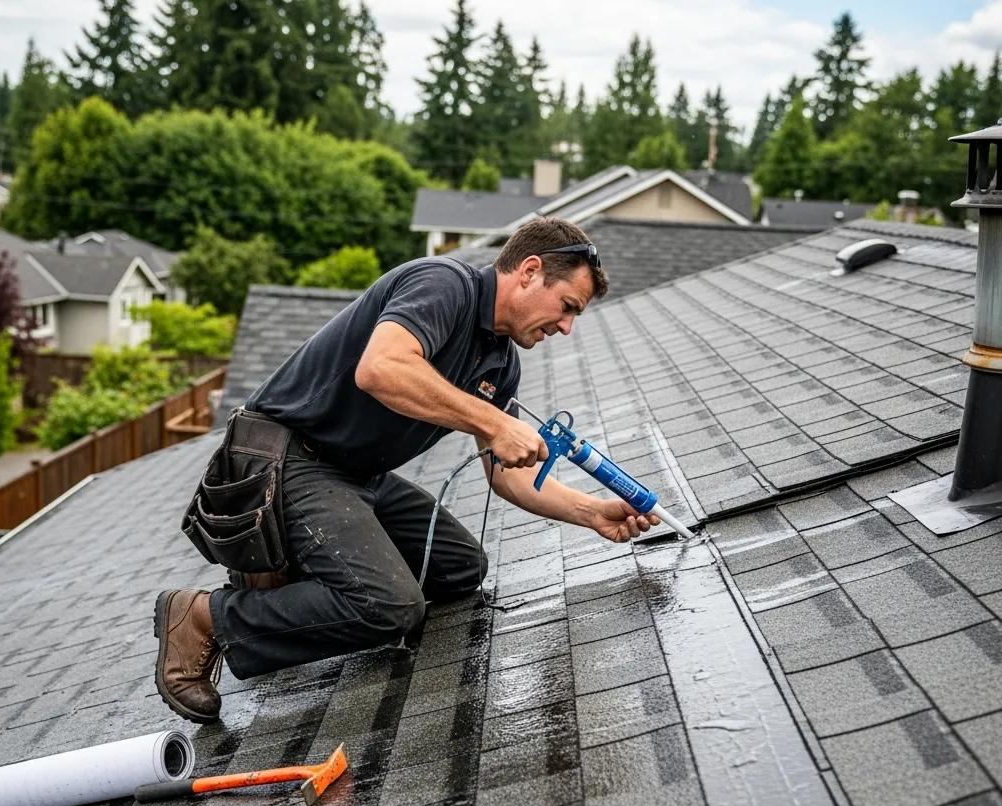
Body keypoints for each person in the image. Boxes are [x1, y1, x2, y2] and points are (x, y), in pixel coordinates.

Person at [154, 217, 661, 723]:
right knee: (391, 606)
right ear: (529, 271)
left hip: (353, 475)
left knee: (462, 568)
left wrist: (592, 511)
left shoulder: (500, 365)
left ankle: (289, 580)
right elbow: (382, 368)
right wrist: (494, 422)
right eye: (568, 307)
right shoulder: (443, 285)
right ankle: (204, 618)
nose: (567, 328)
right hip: (284, 457)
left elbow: (504, 472)